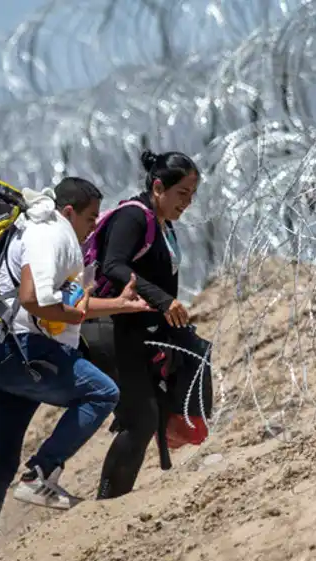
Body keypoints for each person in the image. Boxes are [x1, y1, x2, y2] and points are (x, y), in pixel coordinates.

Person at [0, 177, 152, 561]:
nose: (95, 226)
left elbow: (69, 304)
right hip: (15, 351)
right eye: (91, 217)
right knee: (101, 393)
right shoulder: (51, 233)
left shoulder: (44, 238)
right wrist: (69, 313)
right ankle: (40, 473)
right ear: (69, 212)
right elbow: (34, 298)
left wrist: (119, 304)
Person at [92, 148, 202, 500]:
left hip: (138, 333)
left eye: (192, 195)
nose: (187, 202)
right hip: (109, 329)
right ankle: (106, 503)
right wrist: (163, 300)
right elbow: (113, 266)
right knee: (141, 417)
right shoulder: (133, 217)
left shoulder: (163, 225)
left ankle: (114, 499)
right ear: (158, 187)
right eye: (181, 193)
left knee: (150, 415)